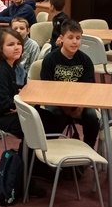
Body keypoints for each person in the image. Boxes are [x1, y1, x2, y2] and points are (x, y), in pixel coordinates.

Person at [40, 19, 99, 148]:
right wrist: (65, 107)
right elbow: (46, 88)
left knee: (92, 117)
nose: (74, 41)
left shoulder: (85, 61)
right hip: (55, 102)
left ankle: (88, 150)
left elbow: (88, 88)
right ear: (61, 38)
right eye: (70, 37)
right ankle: (50, 151)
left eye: (78, 38)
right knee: (56, 117)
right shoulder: (50, 60)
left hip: (79, 102)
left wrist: (80, 107)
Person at [11, 17, 39, 87]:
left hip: (25, 80)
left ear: (28, 31)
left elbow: (33, 68)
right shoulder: (8, 45)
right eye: (15, 29)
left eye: (22, 28)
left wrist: (28, 84)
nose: (18, 31)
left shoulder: (33, 45)